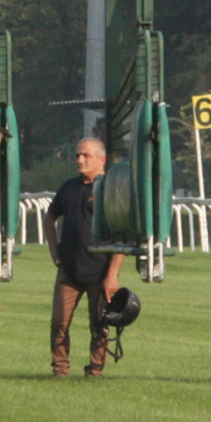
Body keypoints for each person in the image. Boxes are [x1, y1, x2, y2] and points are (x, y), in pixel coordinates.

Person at [43, 137, 125, 378]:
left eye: (86, 155)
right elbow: (50, 217)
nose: (80, 160)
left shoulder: (111, 191)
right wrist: (53, 248)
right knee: (59, 323)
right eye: (78, 155)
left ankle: (95, 370)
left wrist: (112, 276)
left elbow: (121, 237)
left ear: (102, 160)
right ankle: (60, 370)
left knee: (99, 324)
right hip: (68, 269)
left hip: (100, 272)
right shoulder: (69, 187)